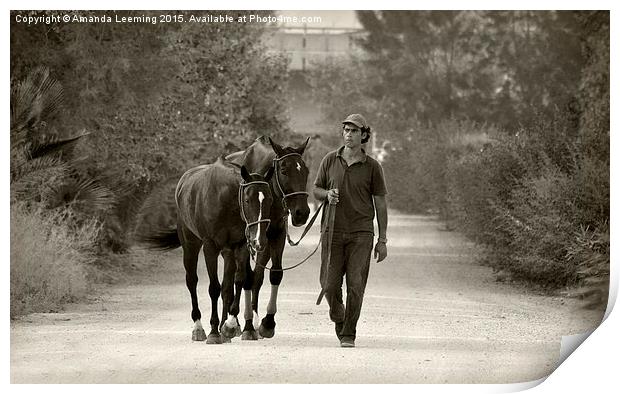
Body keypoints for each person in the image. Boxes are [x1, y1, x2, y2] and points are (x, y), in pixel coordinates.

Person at [313, 113, 389, 348]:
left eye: (354, 131)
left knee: (356, 284)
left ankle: (348, 333)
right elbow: (316, 189)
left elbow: (380, 203)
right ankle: (338, 315)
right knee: (329, 283)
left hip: (361, 234)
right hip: (332, 230)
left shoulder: (373, 167)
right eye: (346, 130)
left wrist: (382, 239)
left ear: (363, 134)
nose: (349, 134)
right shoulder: (329, 160)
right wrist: (327, 194)